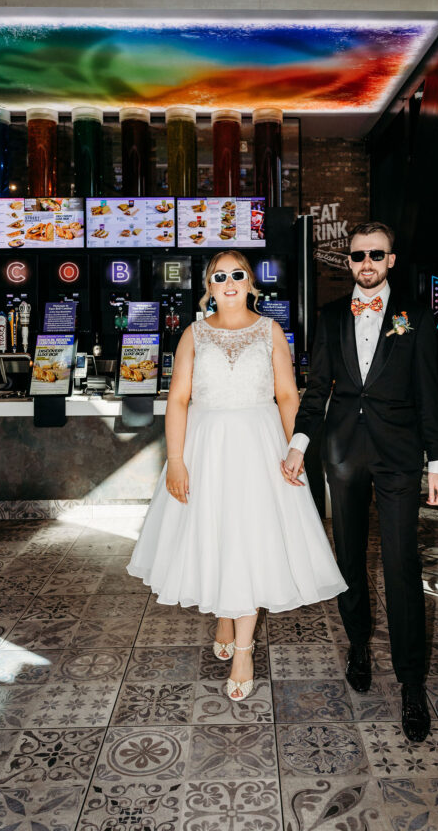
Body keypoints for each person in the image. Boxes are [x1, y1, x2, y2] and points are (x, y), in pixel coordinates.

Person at [127, 250, 346, 701]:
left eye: (237, 274)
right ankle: (223, 616)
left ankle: (243, 649)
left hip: (260, 447)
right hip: (205, 448)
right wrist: (176, 459)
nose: (228, 282)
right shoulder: (193, 334)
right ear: (208, 287)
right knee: (215, 534)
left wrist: (295, 450)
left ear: (251, 284)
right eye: (219, 276)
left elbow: (288, 395)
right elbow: (178, 401)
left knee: (251, 540)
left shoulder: (271, 330)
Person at [281, 221, 438, 742]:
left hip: (399, 457)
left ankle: (411, 681)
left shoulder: (416, 318)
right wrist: (298, 445)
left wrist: (437, 465)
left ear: (392, 260)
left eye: (377, 254)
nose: (367, 263)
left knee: (401, 565)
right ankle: (357, 644)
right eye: (358, 256)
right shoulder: (330, 317)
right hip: (343, 452)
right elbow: (315, 394)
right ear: (347, 263)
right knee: (348, 558)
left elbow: (430, 394)